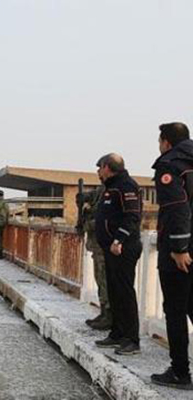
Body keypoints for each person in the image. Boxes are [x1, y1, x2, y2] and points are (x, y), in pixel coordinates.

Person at [150, 122, 193, 390]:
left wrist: (179, 248)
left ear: (166, 141)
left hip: (181, 250)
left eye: (159, 141)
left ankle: (180, 372)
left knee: (175, 311)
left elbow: (176, 207)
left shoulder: (170, 164)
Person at [93, 153, 142, 356]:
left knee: (125, 292)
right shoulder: (110, 187)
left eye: (99, 167)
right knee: (114, 291)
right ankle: (117, 333)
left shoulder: (126, 186)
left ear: (107, 167)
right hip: (110, 248)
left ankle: (132, 339)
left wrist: (118, 239)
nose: (97, 171)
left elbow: (132, 216)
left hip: (123, 247)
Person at [77, 186, 112, 331]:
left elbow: (103, 219)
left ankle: (109, 315)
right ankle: (104, 312)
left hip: (104, 246)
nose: (99, 172)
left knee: (105, 281)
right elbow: (87, 196)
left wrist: (87, 221)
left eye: (101, 169)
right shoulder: (100, 190)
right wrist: (82, 198)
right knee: (100, 280)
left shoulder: (112, 190)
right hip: (97, 246)